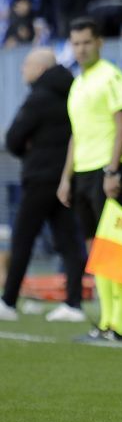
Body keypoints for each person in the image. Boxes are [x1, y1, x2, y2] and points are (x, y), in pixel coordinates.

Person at [57, 17, 122, 342]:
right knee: (97, 249)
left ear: (99, 42)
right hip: (84, 172)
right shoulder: (78, 83)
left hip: (107, 170)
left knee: (116, 248)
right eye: (76, 43)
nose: (81, 49)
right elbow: (76, 134)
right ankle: (105, 321)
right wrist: (65, 178)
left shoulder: (111, 76)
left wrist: (113, 170)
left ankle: (121, 324)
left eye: (86, 42)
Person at [0, 49, 86, 322]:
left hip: (39, 177)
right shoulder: (73, 92)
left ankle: (8, 301)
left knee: (23, 238)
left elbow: (14, 137)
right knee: (69, 242)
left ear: (40, 67)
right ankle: (74, 303)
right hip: (66, 176)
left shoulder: (38, 97)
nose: (22, 69)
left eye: (26, 64)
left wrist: (30, 148)